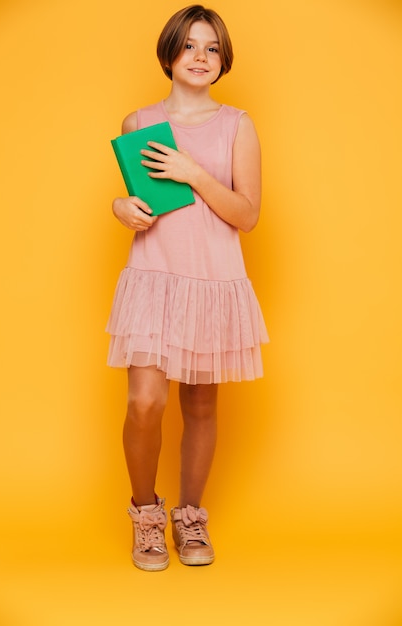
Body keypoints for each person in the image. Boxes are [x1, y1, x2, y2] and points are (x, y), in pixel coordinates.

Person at [106, 4, 269, 571]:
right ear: (170, 52)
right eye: (191, 46)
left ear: (222, 61)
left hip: (213, 280)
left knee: (200, 404)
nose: (201, 57)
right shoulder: (139, 123)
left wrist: (193, 171)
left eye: (212, 49)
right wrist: (120, 207)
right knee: (145, 401)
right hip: (155, 277)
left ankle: (191, 515)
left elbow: (246, 215)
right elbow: (139, 203)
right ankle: (147, 513)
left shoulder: (237, 124)